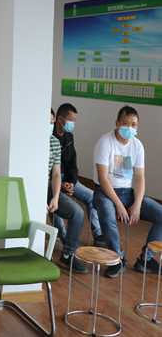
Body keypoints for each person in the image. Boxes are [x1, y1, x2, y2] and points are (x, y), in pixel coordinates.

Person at [93, 106, 162, 278]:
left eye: (134, 125)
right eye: (125, 124)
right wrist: (119, 205)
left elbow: (139, 177)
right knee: (107, 213)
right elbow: (103, 178)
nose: (129, 128)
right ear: (117, 123)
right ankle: (116, 259)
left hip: (127, 193)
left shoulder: (137, 145)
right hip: (105, 192)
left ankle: (146, 259)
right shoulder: (105, 142)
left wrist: (137, 205)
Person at [54, 103, 103, 245]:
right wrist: (61, 185)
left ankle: (98, 234)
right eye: (71, 120)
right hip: (54, 181)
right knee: (55, 202)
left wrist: (71, 182)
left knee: (92, 197)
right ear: (60, 119)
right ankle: (64, 237)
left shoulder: (69, 136)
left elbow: (72, 163)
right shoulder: (49, 137)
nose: (73, 124)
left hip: (68, 180)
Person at [47, 109, 87, 273]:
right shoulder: (28, 141)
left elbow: (56, 174)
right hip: (31, 187)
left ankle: (68, 254)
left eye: (51, 122)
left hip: (49, 186)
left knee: (77, 213)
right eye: (46, 122)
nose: (49, 125)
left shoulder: (55, 143)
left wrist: (56, 197)